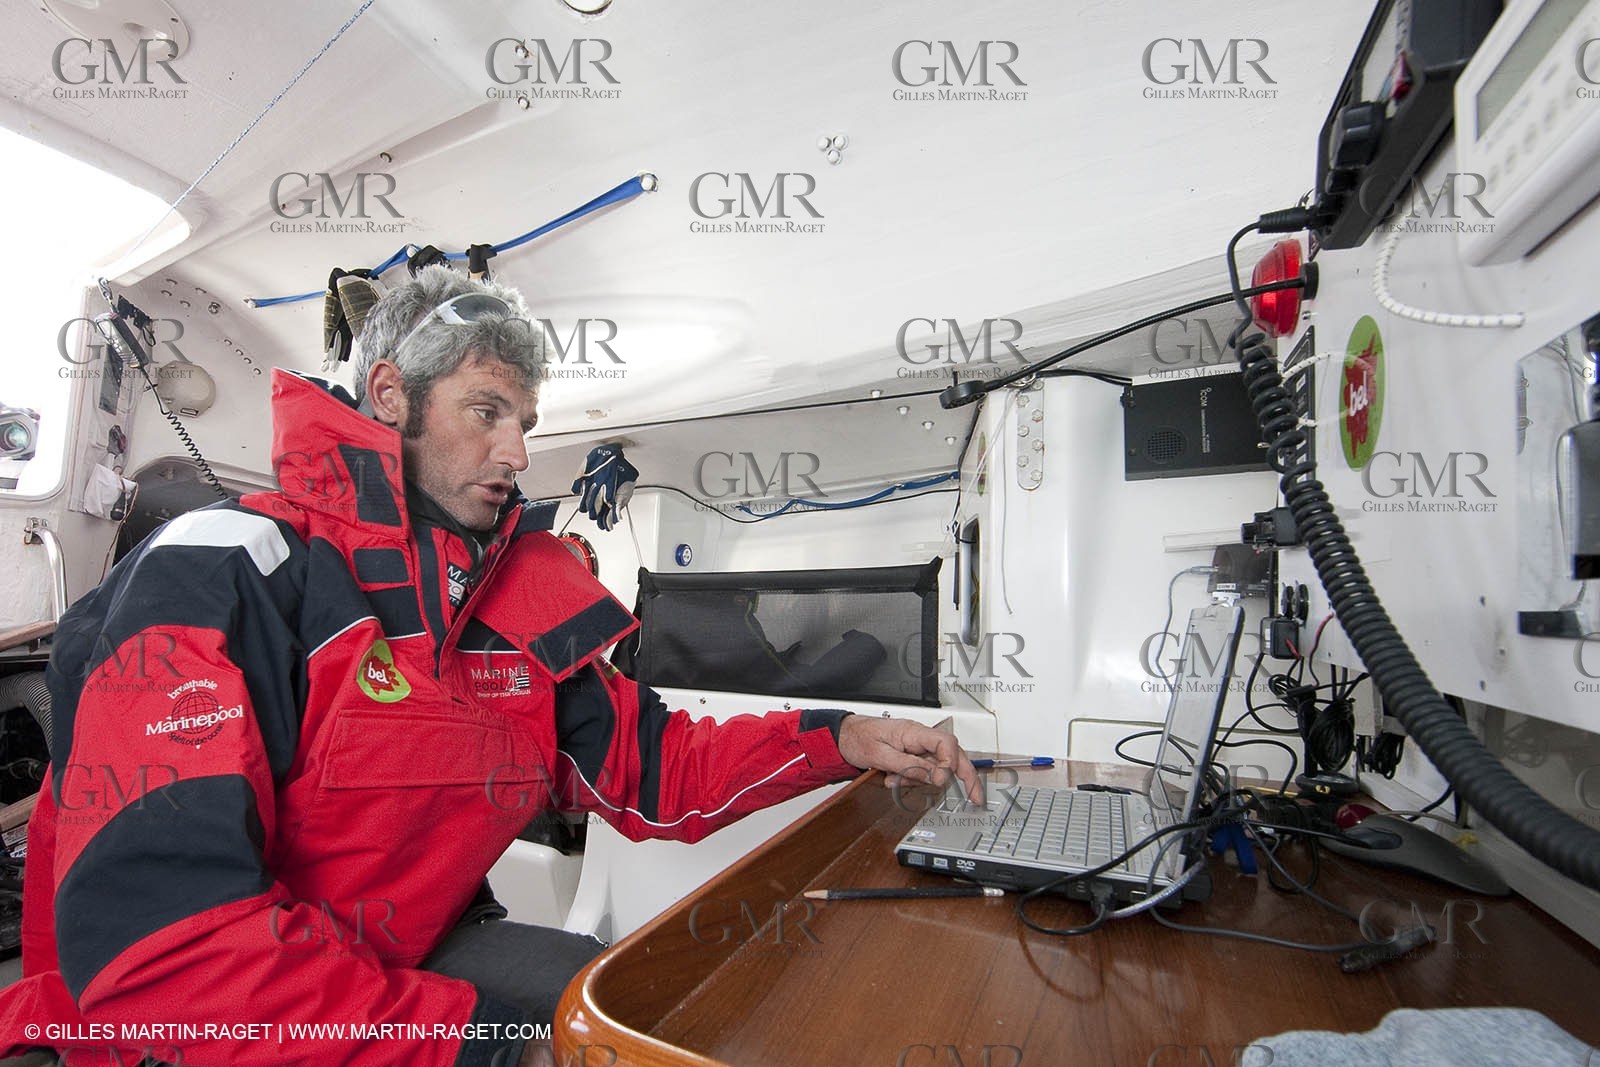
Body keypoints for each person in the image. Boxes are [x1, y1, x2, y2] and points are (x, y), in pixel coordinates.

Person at [0, 265, 981, 1067]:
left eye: (526, 418)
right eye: (486, 411)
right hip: (190, 1019)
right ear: (390, 395)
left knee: (644, 1019)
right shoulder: (218, 571)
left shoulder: (519, 593)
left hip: (418, 944)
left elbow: (651, 769)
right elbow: (164, 954)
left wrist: (839, 737)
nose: (518, 448)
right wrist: (480, 1052)